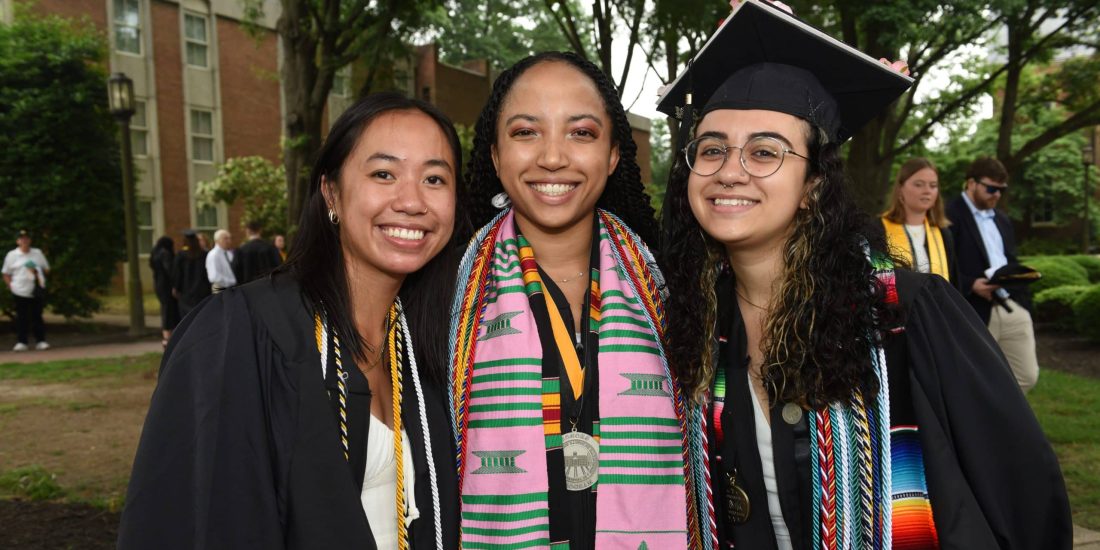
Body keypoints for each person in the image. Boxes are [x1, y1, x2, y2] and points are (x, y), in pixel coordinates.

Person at [656, 2, 1070, 548]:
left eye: (765, 152)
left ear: (814, 187)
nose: (731, 170)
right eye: (711, 149)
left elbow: (1022, 491)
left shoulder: (907, 314)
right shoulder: (698, 324)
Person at [119, 92, 466, 548]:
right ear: (330, 193)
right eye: (384, 173)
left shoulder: (427, 344)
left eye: (435, 179)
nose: (412, 201)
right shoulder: (241, 334)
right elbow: (197, 521)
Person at [448, 51, 709, 550]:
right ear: (495, 155)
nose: (553, 157)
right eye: (526, 132)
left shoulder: (673, 293)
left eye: (581, 133)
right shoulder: (446, 300)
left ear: (613, 154)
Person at [946, 156, 1040, 392]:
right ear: (971, 183)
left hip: (1011, 305)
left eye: (1001, 190)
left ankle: (998, 423)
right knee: (972, 382)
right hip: (973, 309)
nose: (997, 195)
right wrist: (970, 285)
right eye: (991, 188)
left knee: (1026, 376)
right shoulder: (947, 216)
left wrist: (1021, 287)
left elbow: (1010, 259)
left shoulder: (1002, 219)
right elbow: (942, 265)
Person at [881, 157, 957, 283]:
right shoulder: (878, 230)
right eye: (919, 184)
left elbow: (954, 285)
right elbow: (878, 282)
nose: (927, 191)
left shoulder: (944, 234)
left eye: (933, 186)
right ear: (900, 188)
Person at [2, 230, 50, 351]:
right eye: (21, 239)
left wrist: (37, 271)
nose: (24, 241)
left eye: (26, 238)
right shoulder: (12, 255)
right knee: (21, 317)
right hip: (19, 290)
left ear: (30, 240)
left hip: (35, 289)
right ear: (17, 241)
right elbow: (6, 273)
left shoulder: (37, 253)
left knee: (37, 316)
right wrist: (11, 286)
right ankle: (22, 342)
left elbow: (46, 269)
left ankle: (41, 341)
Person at [171, 230, 211, 319]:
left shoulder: (181, 255)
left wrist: (176, 288)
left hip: (185, 292)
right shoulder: (205, 255)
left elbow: (177, 274)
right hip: (202, 291)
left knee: (187, 318)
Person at [149, 236, 180, 347]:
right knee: (169, 310)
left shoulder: (155, 253)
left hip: (159, 284)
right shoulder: (166, 254)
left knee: (165, 309)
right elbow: (170, 270)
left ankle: (166, 335)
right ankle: (167, 336)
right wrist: (175, 284)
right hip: (167, 286)